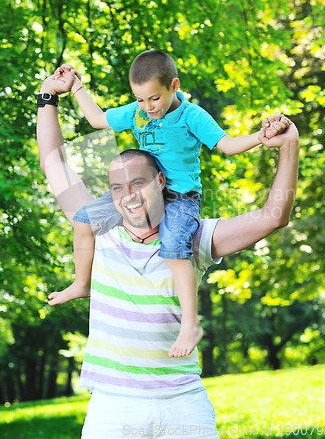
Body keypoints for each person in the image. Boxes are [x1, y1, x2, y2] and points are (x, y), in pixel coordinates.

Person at [37, 72, 299, 438]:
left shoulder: (193, 235)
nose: (128, 196)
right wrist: (48, 95)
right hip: (114, 406)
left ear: (161, 181)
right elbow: (54, 163)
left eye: (139, 183)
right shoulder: (102, 230)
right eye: (118, 188)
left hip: (183, 403)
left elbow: (275, 217)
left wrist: (289, 146)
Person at [47, 50, 288, 358]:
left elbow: (227, 146)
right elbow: (96, 119)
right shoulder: (137, 113)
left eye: (154, 99)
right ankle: (82, 283)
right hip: (144, 190)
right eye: (140, 100)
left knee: (173, 244)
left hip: (180, 197)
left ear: (174, 85)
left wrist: (260, 137)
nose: (148, 108)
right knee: (83, 219)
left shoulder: (192, 116)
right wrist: (76, 85)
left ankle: (189, 323)